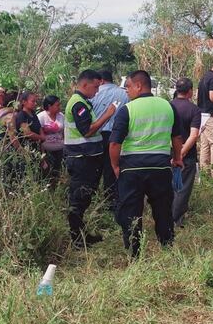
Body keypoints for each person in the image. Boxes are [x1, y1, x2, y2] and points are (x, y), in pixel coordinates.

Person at [109, 70, 183, 257]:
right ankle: (167, 247)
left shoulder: (128, 109)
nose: (127, 91)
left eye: (128, 86)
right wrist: (178, 158)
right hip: (160, 166)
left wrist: (116, 166)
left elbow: (115, 143)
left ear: (139, 86)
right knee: (163, 209)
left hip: (133, 168)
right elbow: (176, 137)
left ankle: (135, 254)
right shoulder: (168, 106)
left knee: (132, 212)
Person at [64, 70, 117, 248]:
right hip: (81, 159)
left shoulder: (84, 102)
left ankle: (82, 235)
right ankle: (77, 240)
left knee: (85, 197)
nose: (97, 91)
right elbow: (87, 130)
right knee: (78, 199)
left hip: (86, 158)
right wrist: (108, 115)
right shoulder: (78, 104)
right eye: (95, 87)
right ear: (85, 85)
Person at [91, 69, 129, 211]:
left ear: (100, 80)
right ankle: (110, 201)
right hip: (117, 136)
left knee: (95, 169)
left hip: (96, 135)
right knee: (112, 169)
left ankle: (93, 200)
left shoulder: (94, 93)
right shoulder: (124, 93)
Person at [170, 77, 201, 227]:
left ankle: (167, 216)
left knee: (170, 186)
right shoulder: (194, 109)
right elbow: (194, 135)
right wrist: (180, 154)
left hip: (167, 154)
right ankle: (175, 219)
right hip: (186, 156)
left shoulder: (168, 106)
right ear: (190, 92)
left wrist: (174, 153)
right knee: (182, 188)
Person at [37, 95, 65, 187]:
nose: (59, 107)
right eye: (57, 105)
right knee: (48, 171)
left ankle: (58, 185)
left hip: (60, 148)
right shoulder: (41, 117)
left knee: (58, 169)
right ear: (49, 106)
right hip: (47, 149)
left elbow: (65, 132)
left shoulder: (61, 116)